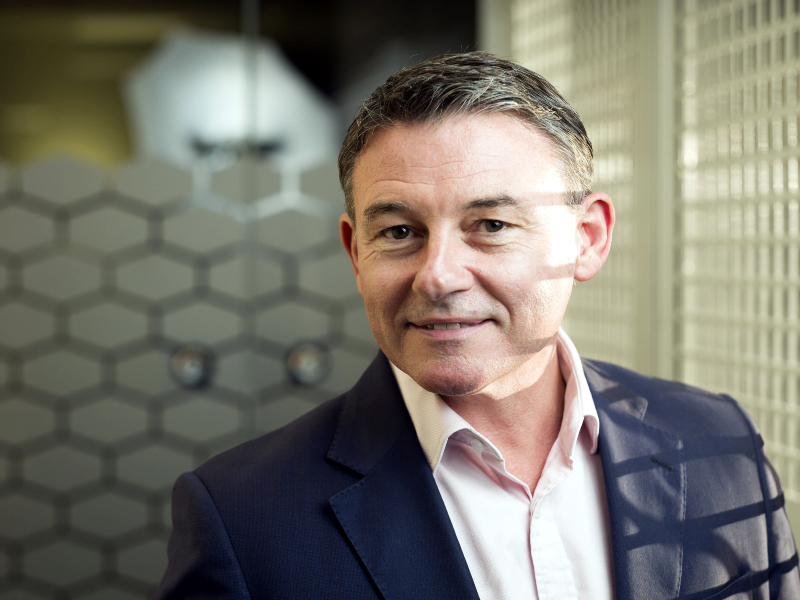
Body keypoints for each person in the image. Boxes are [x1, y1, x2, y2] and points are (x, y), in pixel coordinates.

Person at [153, 52, 799, 600]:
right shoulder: (241, 517)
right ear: (356, 253)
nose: (438, 276)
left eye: (490, 226)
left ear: (588, 239)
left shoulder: (720, 443)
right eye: (399, 232)